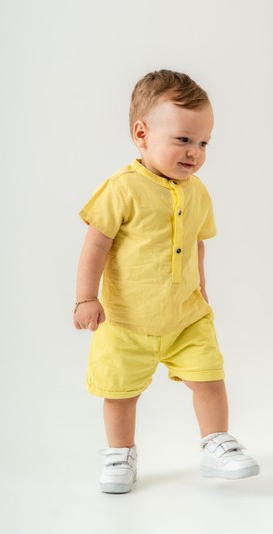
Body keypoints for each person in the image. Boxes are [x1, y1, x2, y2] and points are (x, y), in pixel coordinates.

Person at [74, 69, 259, 494]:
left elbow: (197, 244)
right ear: (141, 134)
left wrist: (202, 290)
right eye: (183, 139)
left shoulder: (198, 191)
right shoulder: (123, 188)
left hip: (186, 317)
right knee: (120, 392)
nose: (195, 152)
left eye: (204, 142)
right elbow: (96, 243)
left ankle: (216, 443)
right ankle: (120, 452)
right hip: (125, 320)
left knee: (209, 379)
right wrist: (85, 297)